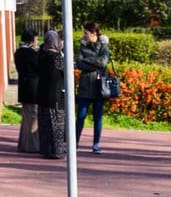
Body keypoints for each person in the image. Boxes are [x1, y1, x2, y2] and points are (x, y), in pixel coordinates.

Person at [75, 22, 111, 155]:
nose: (84, 35)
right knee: (80, 116)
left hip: (99, 87)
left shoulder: (104, 46)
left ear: (94, 33)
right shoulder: (82, 46)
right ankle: (75, 143)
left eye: (86, 33)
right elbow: (79, 63)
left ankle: (96, 144)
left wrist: (87, 61)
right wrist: (94, 62)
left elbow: (103, 62)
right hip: (85, 87)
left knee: (98, 117)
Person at [35, 30, 68, 160]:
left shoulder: (41, 55)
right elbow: (65, 74)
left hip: (43, 94)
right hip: (55, 95)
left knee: (44, 123)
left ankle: (45, 149)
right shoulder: (57, 57)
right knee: (57, 124)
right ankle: (57, 151)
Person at [14, 29, 40, 155]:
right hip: (33, 89)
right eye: (36, 39)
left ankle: (23, 143)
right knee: (34, 117)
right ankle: (33, 145)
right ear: (31, 41)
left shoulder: (18, 52)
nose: (37, 42)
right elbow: (38, 68)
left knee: (26, 118)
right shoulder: (31, 53)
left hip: (23, 88)